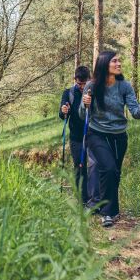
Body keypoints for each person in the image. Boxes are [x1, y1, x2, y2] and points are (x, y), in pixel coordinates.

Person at [79, 51, 140, 227]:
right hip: (97, 134)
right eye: (115, 61)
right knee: (108, 169)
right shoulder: (91, 86)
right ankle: (106, 213)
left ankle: (113, 209)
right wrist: (84, 104)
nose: (119, 64)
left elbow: (135, 114)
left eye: (119, 61)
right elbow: (82, 115)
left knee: (115, 174)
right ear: (104, 64)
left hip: (119, 136)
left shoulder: (124, 86)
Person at [59, 65, 91, 204]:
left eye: (85, 83)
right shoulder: (69, 93)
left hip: (94, 135)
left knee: (94, 167)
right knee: (79, 166)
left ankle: (94, 198)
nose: (82, 87)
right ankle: (82, 199)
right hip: (76, 137)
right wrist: (64, 110)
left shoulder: (94, 91)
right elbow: (62, 115)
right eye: (79, 84)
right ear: (75, 80)